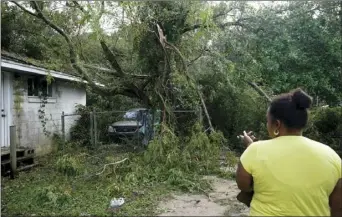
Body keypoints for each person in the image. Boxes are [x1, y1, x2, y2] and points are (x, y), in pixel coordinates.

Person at [236, 88, 342, 216]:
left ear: (277, 124)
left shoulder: (255, 150)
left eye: (267, 121)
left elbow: (244, 186)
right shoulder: (331, 155)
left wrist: (251, 148)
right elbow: (338, 208)